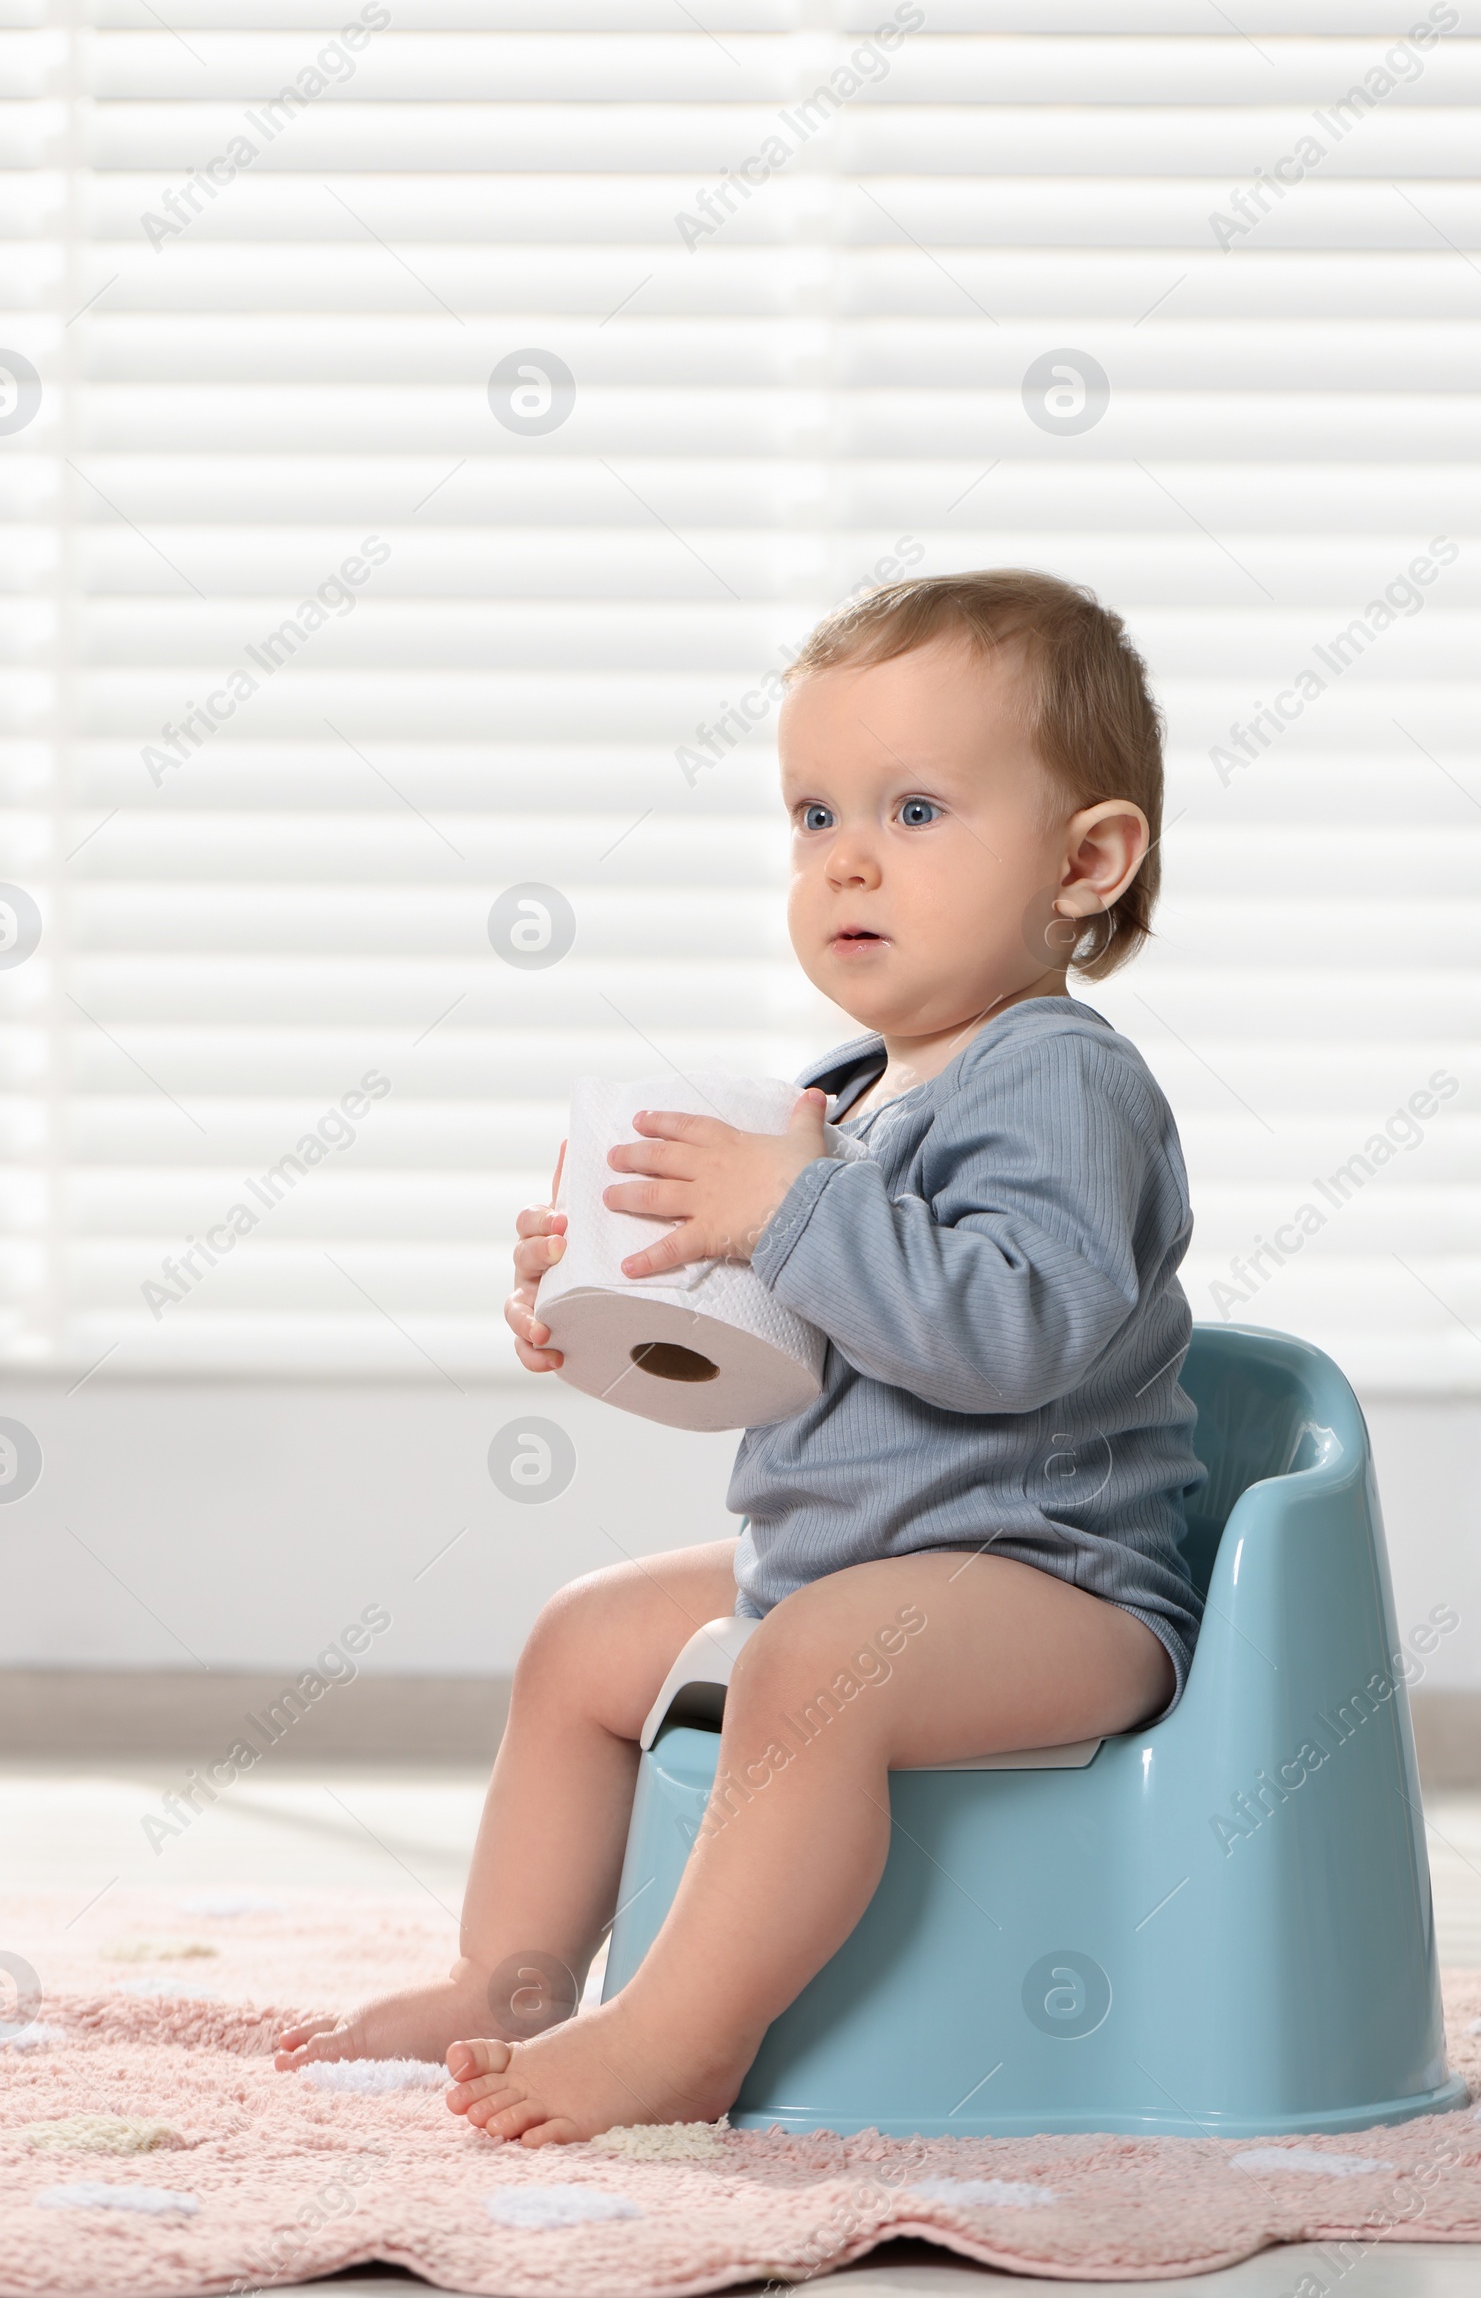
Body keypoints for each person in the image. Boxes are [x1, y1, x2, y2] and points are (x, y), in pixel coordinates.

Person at [276, 568, 1204, 2146]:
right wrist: (598, 1299)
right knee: (585, 1644)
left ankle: (680, 2040)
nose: (846, 855)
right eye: (810, 813)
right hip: (842, 1557)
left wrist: (790, 1210)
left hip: (1056, 1583)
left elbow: (1014, 1331)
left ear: (1086, 862)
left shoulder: (1059, 1082)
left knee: (805, 1666)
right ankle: (503, 1981)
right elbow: (785, 1344)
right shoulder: (843, 1095)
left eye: (916, 810)